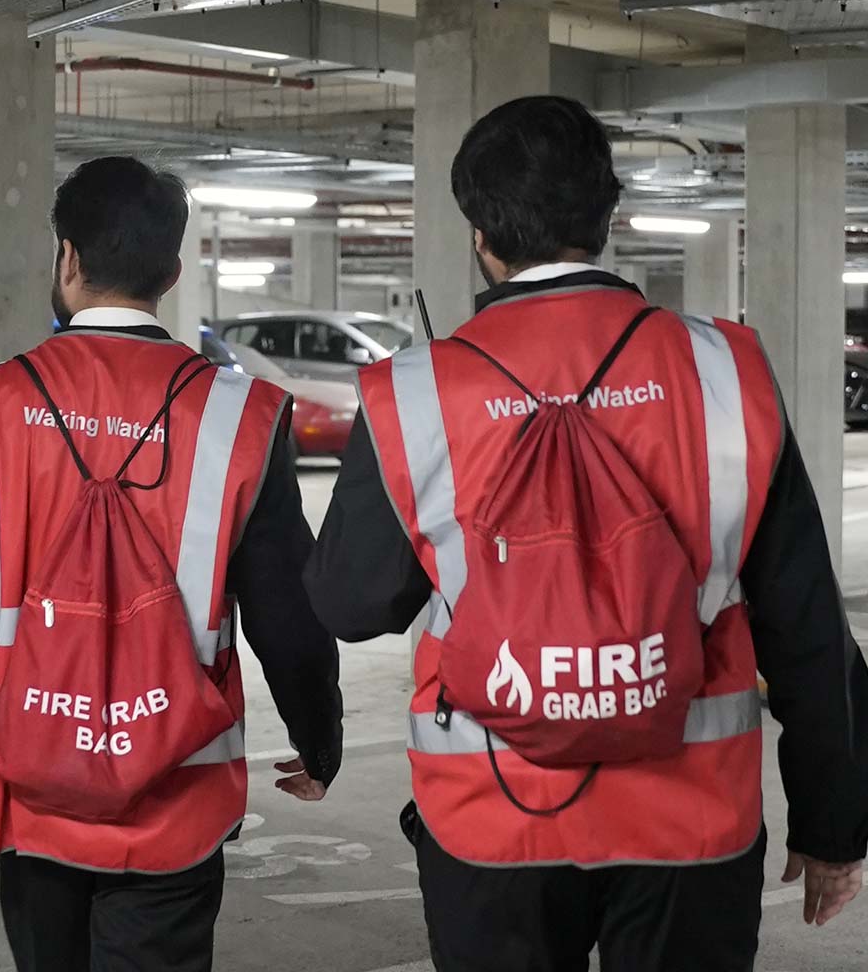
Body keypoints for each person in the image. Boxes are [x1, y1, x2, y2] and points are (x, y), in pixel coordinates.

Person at [304, 96, 868, 972]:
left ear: (480, 233)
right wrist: (834, 824)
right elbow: (806, 625)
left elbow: (350, 602)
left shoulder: (416, 392)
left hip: (491, 815)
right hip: (691, 818)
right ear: (609, 218)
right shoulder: (725, 369)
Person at [0, 157, 343, 972]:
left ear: (66, 257)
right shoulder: (240, 413)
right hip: (178, 795)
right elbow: (288, 612)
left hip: (32, 789)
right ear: (171, 271)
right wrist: (318, 736)